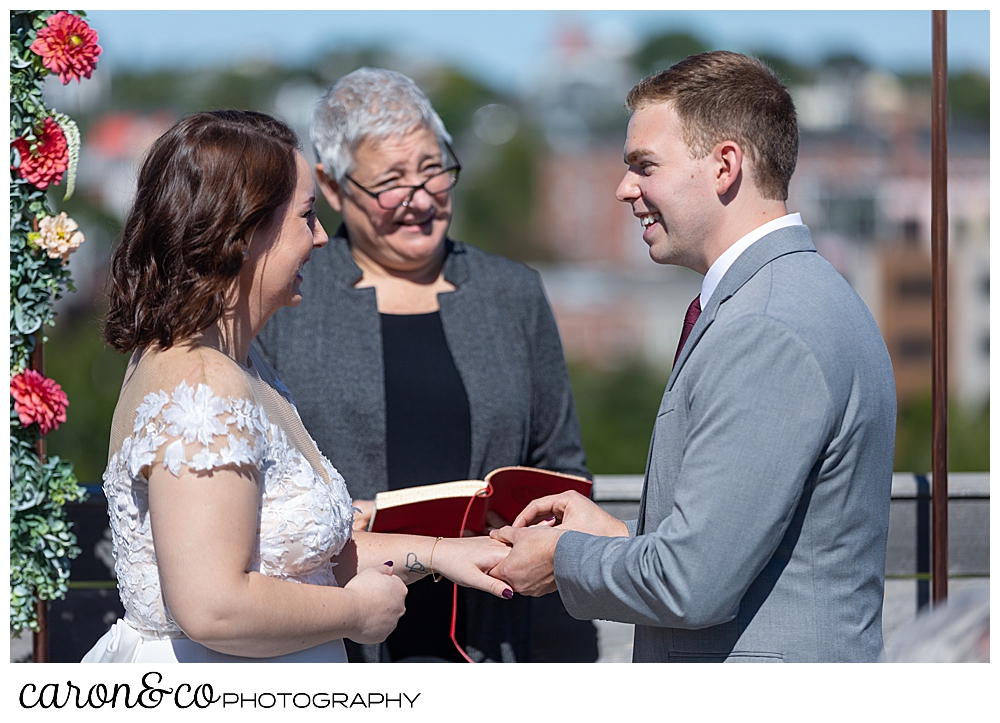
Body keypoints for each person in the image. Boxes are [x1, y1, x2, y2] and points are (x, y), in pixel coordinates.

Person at [490, 51, 897, 663]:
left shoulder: (766, 325)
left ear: (724, 165)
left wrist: (563, 558)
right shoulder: (794, 297)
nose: (624, 189)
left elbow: (692, 585)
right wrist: (616, 540)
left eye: (644, 166)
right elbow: (742, 553)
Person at [82, 110, 513, 664]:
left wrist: (438, 553)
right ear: (241, 233)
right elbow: (214, 606)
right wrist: (357, 615)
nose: (319, 238)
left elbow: (288, 558)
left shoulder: (239, 361)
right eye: (307, 216)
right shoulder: (202, 382)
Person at [255, 68, 594, 663]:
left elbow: (560, 463)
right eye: (390, 181)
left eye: (434, 170)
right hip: (337, 632)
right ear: (333, 189)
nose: (421, 198)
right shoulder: (291, 297)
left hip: (491, 626)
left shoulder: (511, 293)